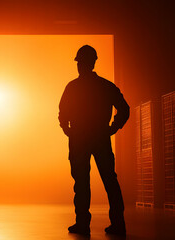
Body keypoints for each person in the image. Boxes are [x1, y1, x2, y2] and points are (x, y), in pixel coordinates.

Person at [58, 45, 129, 236]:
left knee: (81, 183)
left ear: (84, 63)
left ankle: (82, 223)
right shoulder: (105, 86)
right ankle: (118, 223)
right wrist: (112, 128)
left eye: (80, 62)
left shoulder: (72, 87)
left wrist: (68, 130)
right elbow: (124, 109)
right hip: (100, 138)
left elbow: (62, 113)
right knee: (109, 181)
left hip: (80, 139)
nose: (79, 65)